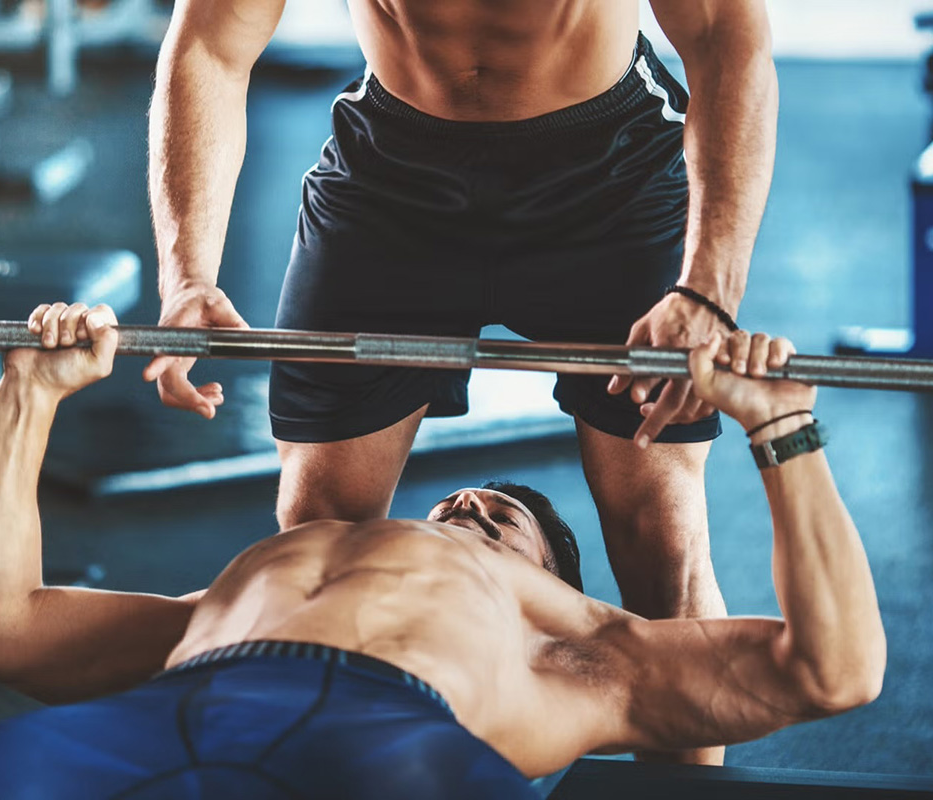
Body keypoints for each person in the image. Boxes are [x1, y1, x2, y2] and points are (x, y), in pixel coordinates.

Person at [0, 302, 884, 799]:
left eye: (502, 515)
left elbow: (834, 669)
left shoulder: (586, 649)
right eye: (462, 496)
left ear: (546, 576)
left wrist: (782, 426)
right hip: (178, 708)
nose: (466, 500)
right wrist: (30, 390)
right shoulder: (237, 591)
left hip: (396, 742)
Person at [144, 2, 778, 765]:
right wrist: (186, 276)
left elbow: (724, 39)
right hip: (393, 178)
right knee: (318, 531)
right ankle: (319, 773)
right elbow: (211, 43)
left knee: (659, 537)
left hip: (610, 179)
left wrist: (708, 289)